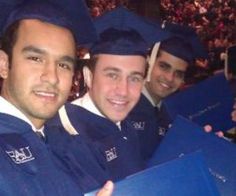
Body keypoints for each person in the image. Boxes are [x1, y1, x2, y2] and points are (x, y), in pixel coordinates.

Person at [0, 0, 113, 195]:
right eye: (36, 58)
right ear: (3, 64)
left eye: (63, 64)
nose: (52, 77)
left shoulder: (66, 141)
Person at [47, 6, 170, 183]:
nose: (123, 90)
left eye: (134, 78)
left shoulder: (124, 125)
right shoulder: (67, 135)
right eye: (112, 75)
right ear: (88, 76)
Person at [128, 22, 209, 161]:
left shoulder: (170, 116)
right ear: (150, 62)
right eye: (164, 67)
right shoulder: (124, 107)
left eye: (178, 74)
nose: (170, 78)